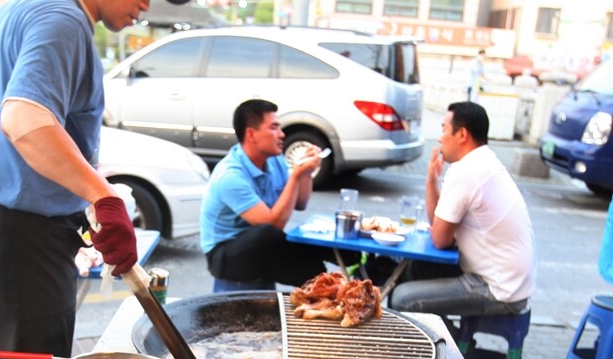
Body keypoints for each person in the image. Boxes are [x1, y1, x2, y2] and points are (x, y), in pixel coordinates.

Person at [0, 0, 185, 359]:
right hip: (23, 242)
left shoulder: (18, 8)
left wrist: (84, 189)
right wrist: (101, 196)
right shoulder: (63, 19)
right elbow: (22, 118)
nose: (147, 6)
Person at [390, 101, 535, 321]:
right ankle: (443, 340)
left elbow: (439, 239)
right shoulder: (483, 161)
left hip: (498, 290)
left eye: (444, 129)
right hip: (510, 284)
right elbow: (439, 225)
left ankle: (446, 348)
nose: (440, 137)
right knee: (419, 268)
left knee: (403, 298)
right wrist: (431, 181)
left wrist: (439, 227)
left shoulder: (467, 171)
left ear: (462, 134)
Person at [200, 98, 354, 286]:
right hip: (224, 254)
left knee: (318, 250)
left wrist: (305, 172)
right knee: (269, 235)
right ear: (251, 134)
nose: (282, 134)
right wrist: (296, 175)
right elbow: (274, 224)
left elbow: (300, 203)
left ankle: (367, 267)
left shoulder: (274, 160)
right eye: (274, 128)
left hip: (261, 246)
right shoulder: (230, 176)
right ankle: (322, 284)